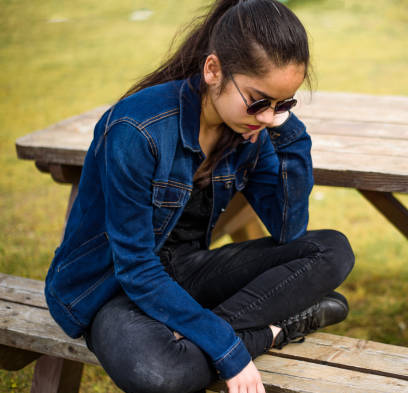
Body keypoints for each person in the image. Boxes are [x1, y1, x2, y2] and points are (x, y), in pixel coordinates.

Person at [43, 0, 354, 392]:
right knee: (162, 374)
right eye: (259, 100)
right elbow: (135, 268)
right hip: (113, 288)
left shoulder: (251, 131)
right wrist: (230, 350)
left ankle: (199, 335)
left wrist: (288, 130)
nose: (266, 116)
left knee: (332, 250)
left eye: (282, 104)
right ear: (213, 70)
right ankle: (271, 332)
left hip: (186, 270)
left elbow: (289, 229)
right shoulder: (137, 130)